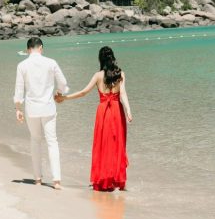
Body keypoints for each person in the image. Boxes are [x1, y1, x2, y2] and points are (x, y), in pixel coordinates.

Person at [57, 46, 132, 192]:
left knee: (103, 145)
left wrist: (64, 98)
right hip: (117, 111)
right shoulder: (120, 74)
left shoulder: (98, 76)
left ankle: (104, 179)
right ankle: (117, 180)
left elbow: (84, 92)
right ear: (113, 57)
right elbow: (122, 94)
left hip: (103, 112)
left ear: (100, 59)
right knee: (117, 145)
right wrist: (128, 110)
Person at [13, 37, 69, 189]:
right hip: (48, 107)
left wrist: (18, 109)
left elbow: (19, 90)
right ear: (41, 48)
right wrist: (60, 92)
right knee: (52, 142)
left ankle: (38, 178)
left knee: (35, 141)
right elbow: (63, 83)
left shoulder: (22, 65)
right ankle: (56, 180)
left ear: (28, 49)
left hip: (32, 109)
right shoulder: (51, 62)